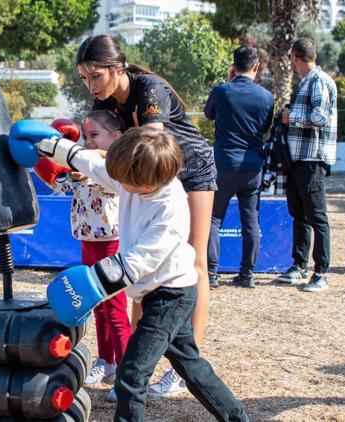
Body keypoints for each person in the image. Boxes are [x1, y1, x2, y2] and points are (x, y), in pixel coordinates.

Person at [7, 120, 249, 422]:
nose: (118, 183)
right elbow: (91, 164)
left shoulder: (169, 210)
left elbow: (143, 259)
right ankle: (237, 417)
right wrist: (50, 146)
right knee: (192, 367)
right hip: (155, 292)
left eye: (124, 179)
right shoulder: (138, 175)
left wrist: (91, 283)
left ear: (147, 180)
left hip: (171, 296)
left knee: (131, 375)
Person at [76, 33, 215, 398]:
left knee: (194, 260)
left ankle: (184, 368)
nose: (91, 86)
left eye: (96, 77)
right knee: (139, 264)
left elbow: (145, 149)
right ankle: (138, 363)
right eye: (84, 79)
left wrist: (96, 163)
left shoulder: (149, 88)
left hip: (191, 169)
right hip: (147, 178)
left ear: (118, 67)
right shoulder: (109, 101)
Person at [33, 112, 130, 402]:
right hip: (88, 242)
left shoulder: (117, 168)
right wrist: (44, 162)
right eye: (84, 136)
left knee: (114, 311)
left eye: (94, 135)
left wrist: (89, 166)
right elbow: (61, 185)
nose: (87, 141)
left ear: (115, 138)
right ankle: (107, 361)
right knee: (97, 306)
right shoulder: (83, 167)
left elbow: (110, 180)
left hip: (111, 245)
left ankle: (127, 377)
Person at [204, 46, 275, 288]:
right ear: (256, 67)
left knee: (214, 219)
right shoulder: (267, 97)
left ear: (233, 67)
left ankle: (211, 273)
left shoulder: (221, 91)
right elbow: (265, 128)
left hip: (224, 164)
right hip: (252, 166)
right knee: (250, 220)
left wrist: (227, 83)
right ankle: (247, 274)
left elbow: (208, 114)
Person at [277, 38, 337, 292]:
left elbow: (320, 117)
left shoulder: (319, 81)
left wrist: (292, 117)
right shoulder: (308, 83)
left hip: (312, 159)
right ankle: (299, 265)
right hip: (299, 159)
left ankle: (321, 272)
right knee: (299, 215)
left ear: (296, 58)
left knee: (317, 216)